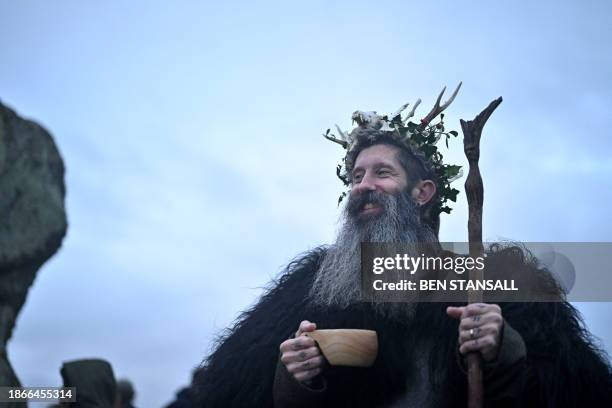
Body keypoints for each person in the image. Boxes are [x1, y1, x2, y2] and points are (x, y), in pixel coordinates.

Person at [194, 93, 612, 407]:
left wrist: (503, 348)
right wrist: (295, 378)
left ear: (422, 192)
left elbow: (564, 392)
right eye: (357, 176)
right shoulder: (309, 292)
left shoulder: (489, 285)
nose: (364, 185)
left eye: (382, 172)